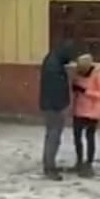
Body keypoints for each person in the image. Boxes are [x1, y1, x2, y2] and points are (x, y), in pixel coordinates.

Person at [39, 41, 76, 180]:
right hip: (54, 107)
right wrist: (62, 104)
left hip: (49, 105)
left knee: (50, 136)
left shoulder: (51, 61)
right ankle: (49, 167)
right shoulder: (54, 67)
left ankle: (48, 164)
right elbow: (57, 89)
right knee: (53, 137)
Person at [71, 53, 100, 177]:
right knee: (77, 137)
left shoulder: (99, 76)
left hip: (92, 112)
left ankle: (89, 162)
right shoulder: (79, 74)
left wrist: (85, 91)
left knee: (89, 137)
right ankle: (79, 160)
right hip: (79, 110)